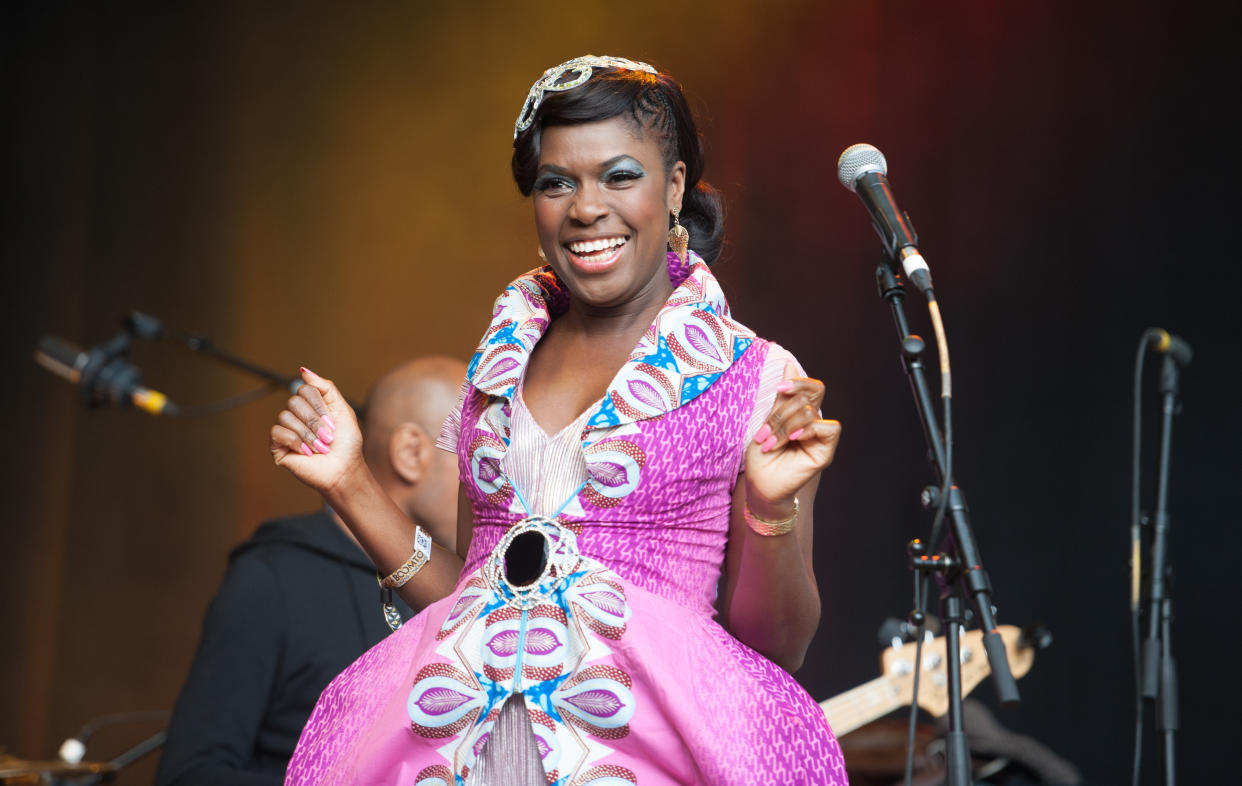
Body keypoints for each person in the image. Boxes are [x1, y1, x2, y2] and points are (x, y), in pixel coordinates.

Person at [269, 55, 847, 785]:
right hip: (473, 758)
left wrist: (771, 506)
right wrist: (350, 483)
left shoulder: (752, 376)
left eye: (619, 175)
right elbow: (471, 600)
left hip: (641, 761)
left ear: (673, 190)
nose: (585, 207)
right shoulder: (497, 367)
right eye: (556, 182)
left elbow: (779, 646)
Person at [156, 356, 465, 786]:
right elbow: (188, 775)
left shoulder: (466, 592)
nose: (490, 481)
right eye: (473, 455)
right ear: (411, 453)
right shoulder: (273, 577)